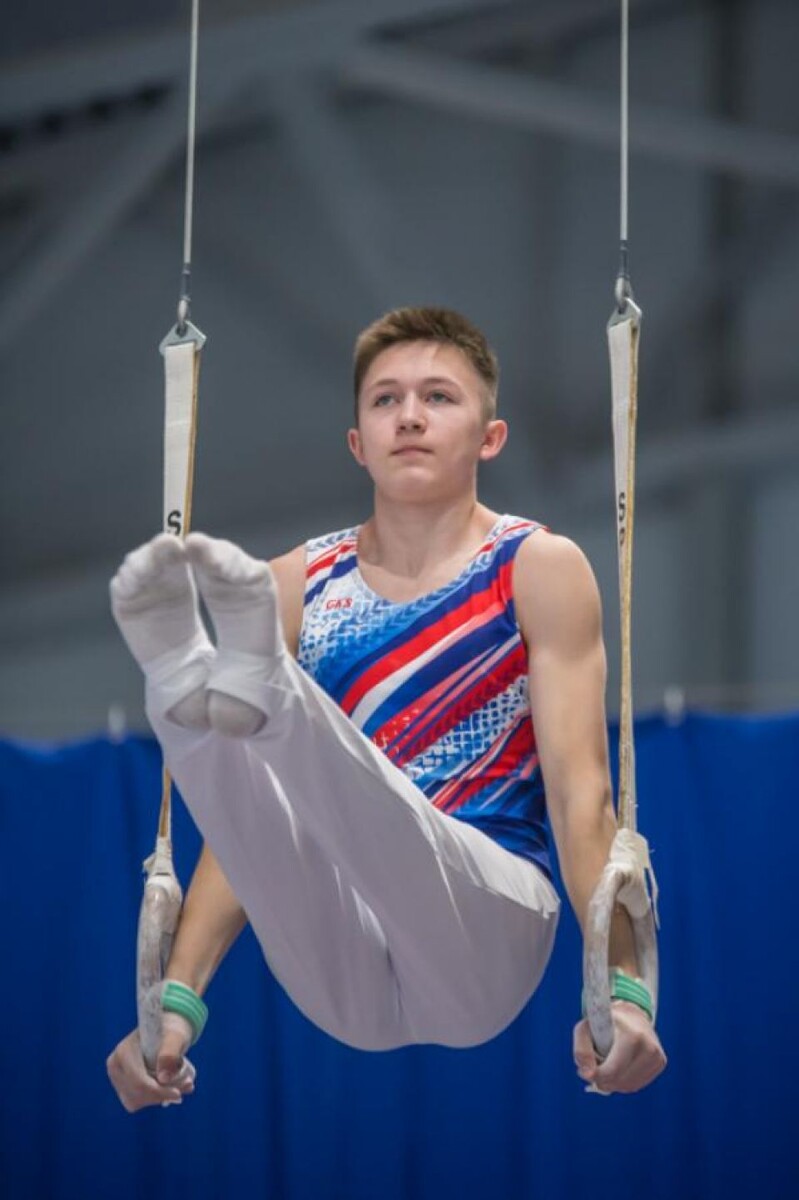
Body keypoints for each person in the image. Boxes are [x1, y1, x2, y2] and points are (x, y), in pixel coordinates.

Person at [106, 307, 666, 1113]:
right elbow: (247, 834)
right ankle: (181, 688)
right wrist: (172, 1008)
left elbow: (582, 798)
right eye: (385, 400)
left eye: (438, 396)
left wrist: (622, 990)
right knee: (256, 780)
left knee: (342, 779)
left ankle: (252, 683)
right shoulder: (297, 584)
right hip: (343, 970)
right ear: (357, 442)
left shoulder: (536, 567)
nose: (408, 415)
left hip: (486, 917)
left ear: (490, 435)